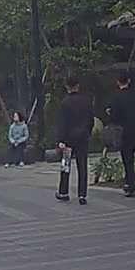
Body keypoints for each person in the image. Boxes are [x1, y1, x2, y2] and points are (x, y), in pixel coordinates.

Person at [105, 72, 135, 198]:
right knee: (130, 156)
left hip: (123, 131)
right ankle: (129, 182)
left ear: (118, 82)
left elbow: (114, 117)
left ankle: (131, 184)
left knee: (127, 158)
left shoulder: (116, 98)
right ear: (129, 81)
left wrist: (110, 113)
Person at [57, 76, 95, 205]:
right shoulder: (86, 101)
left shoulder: (65, 103)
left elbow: (62, 123)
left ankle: (63, 192)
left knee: (66, 165)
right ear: (78, 86)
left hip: (68, 139)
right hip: (83, 137)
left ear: (67, 86)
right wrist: (87, 132)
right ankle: (82, 194)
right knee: (82, 165)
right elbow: (91, 119)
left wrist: (61, 139)